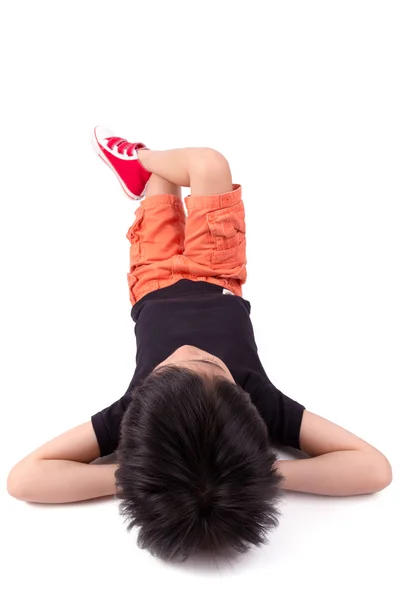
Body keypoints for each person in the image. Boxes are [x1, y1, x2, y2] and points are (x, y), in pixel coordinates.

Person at [7, 127, 392, 561]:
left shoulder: (136, 413)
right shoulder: (261, 401)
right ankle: (142, 157)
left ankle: (143, 165)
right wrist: (250, 473)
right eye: (214, 367)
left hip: (153, 279)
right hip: (218, 273)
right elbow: (375, 469)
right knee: (209, 164)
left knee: (162, 187)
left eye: (172, 367)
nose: (191, 352)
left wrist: (150, 476)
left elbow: (24, 480)